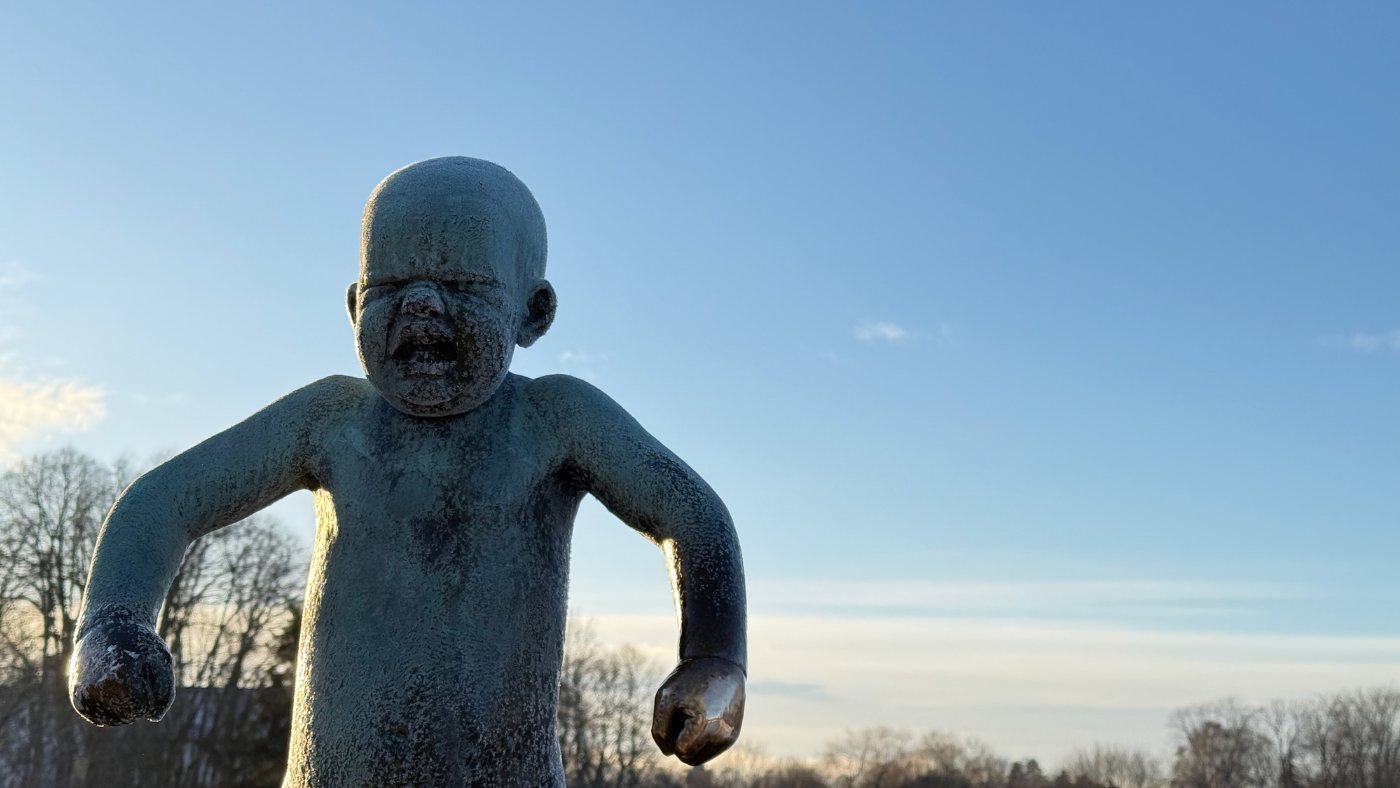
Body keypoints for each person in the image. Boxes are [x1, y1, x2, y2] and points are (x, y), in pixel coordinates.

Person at [69, 157, 747, 786]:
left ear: (532, 313)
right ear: (353, 305)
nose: (421, 304)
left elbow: (689, 515)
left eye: (462, 286)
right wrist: (112, 623)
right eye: (389, 287)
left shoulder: (552, 420)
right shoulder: (332, 420)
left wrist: (713, 657)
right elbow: (166, 501)